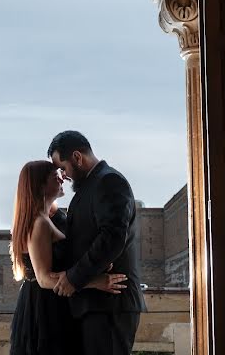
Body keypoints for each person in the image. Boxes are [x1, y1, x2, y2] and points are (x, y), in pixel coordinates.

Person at [9, 160, 128, 355]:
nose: (61, 177)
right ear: (40, 185)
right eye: (55, 175)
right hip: (45, 308)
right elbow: (44, 278)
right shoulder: (40, 223)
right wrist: (93, 281)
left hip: (53, 302)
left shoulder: (48, 217)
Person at [47, 131, 147, 355]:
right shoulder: (91, 186)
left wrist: (74, 278)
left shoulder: (109, 181)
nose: (63, 175)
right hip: (95, 304)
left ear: (77, 157)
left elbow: (112, 237)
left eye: (63, 168)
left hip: (110, 305)